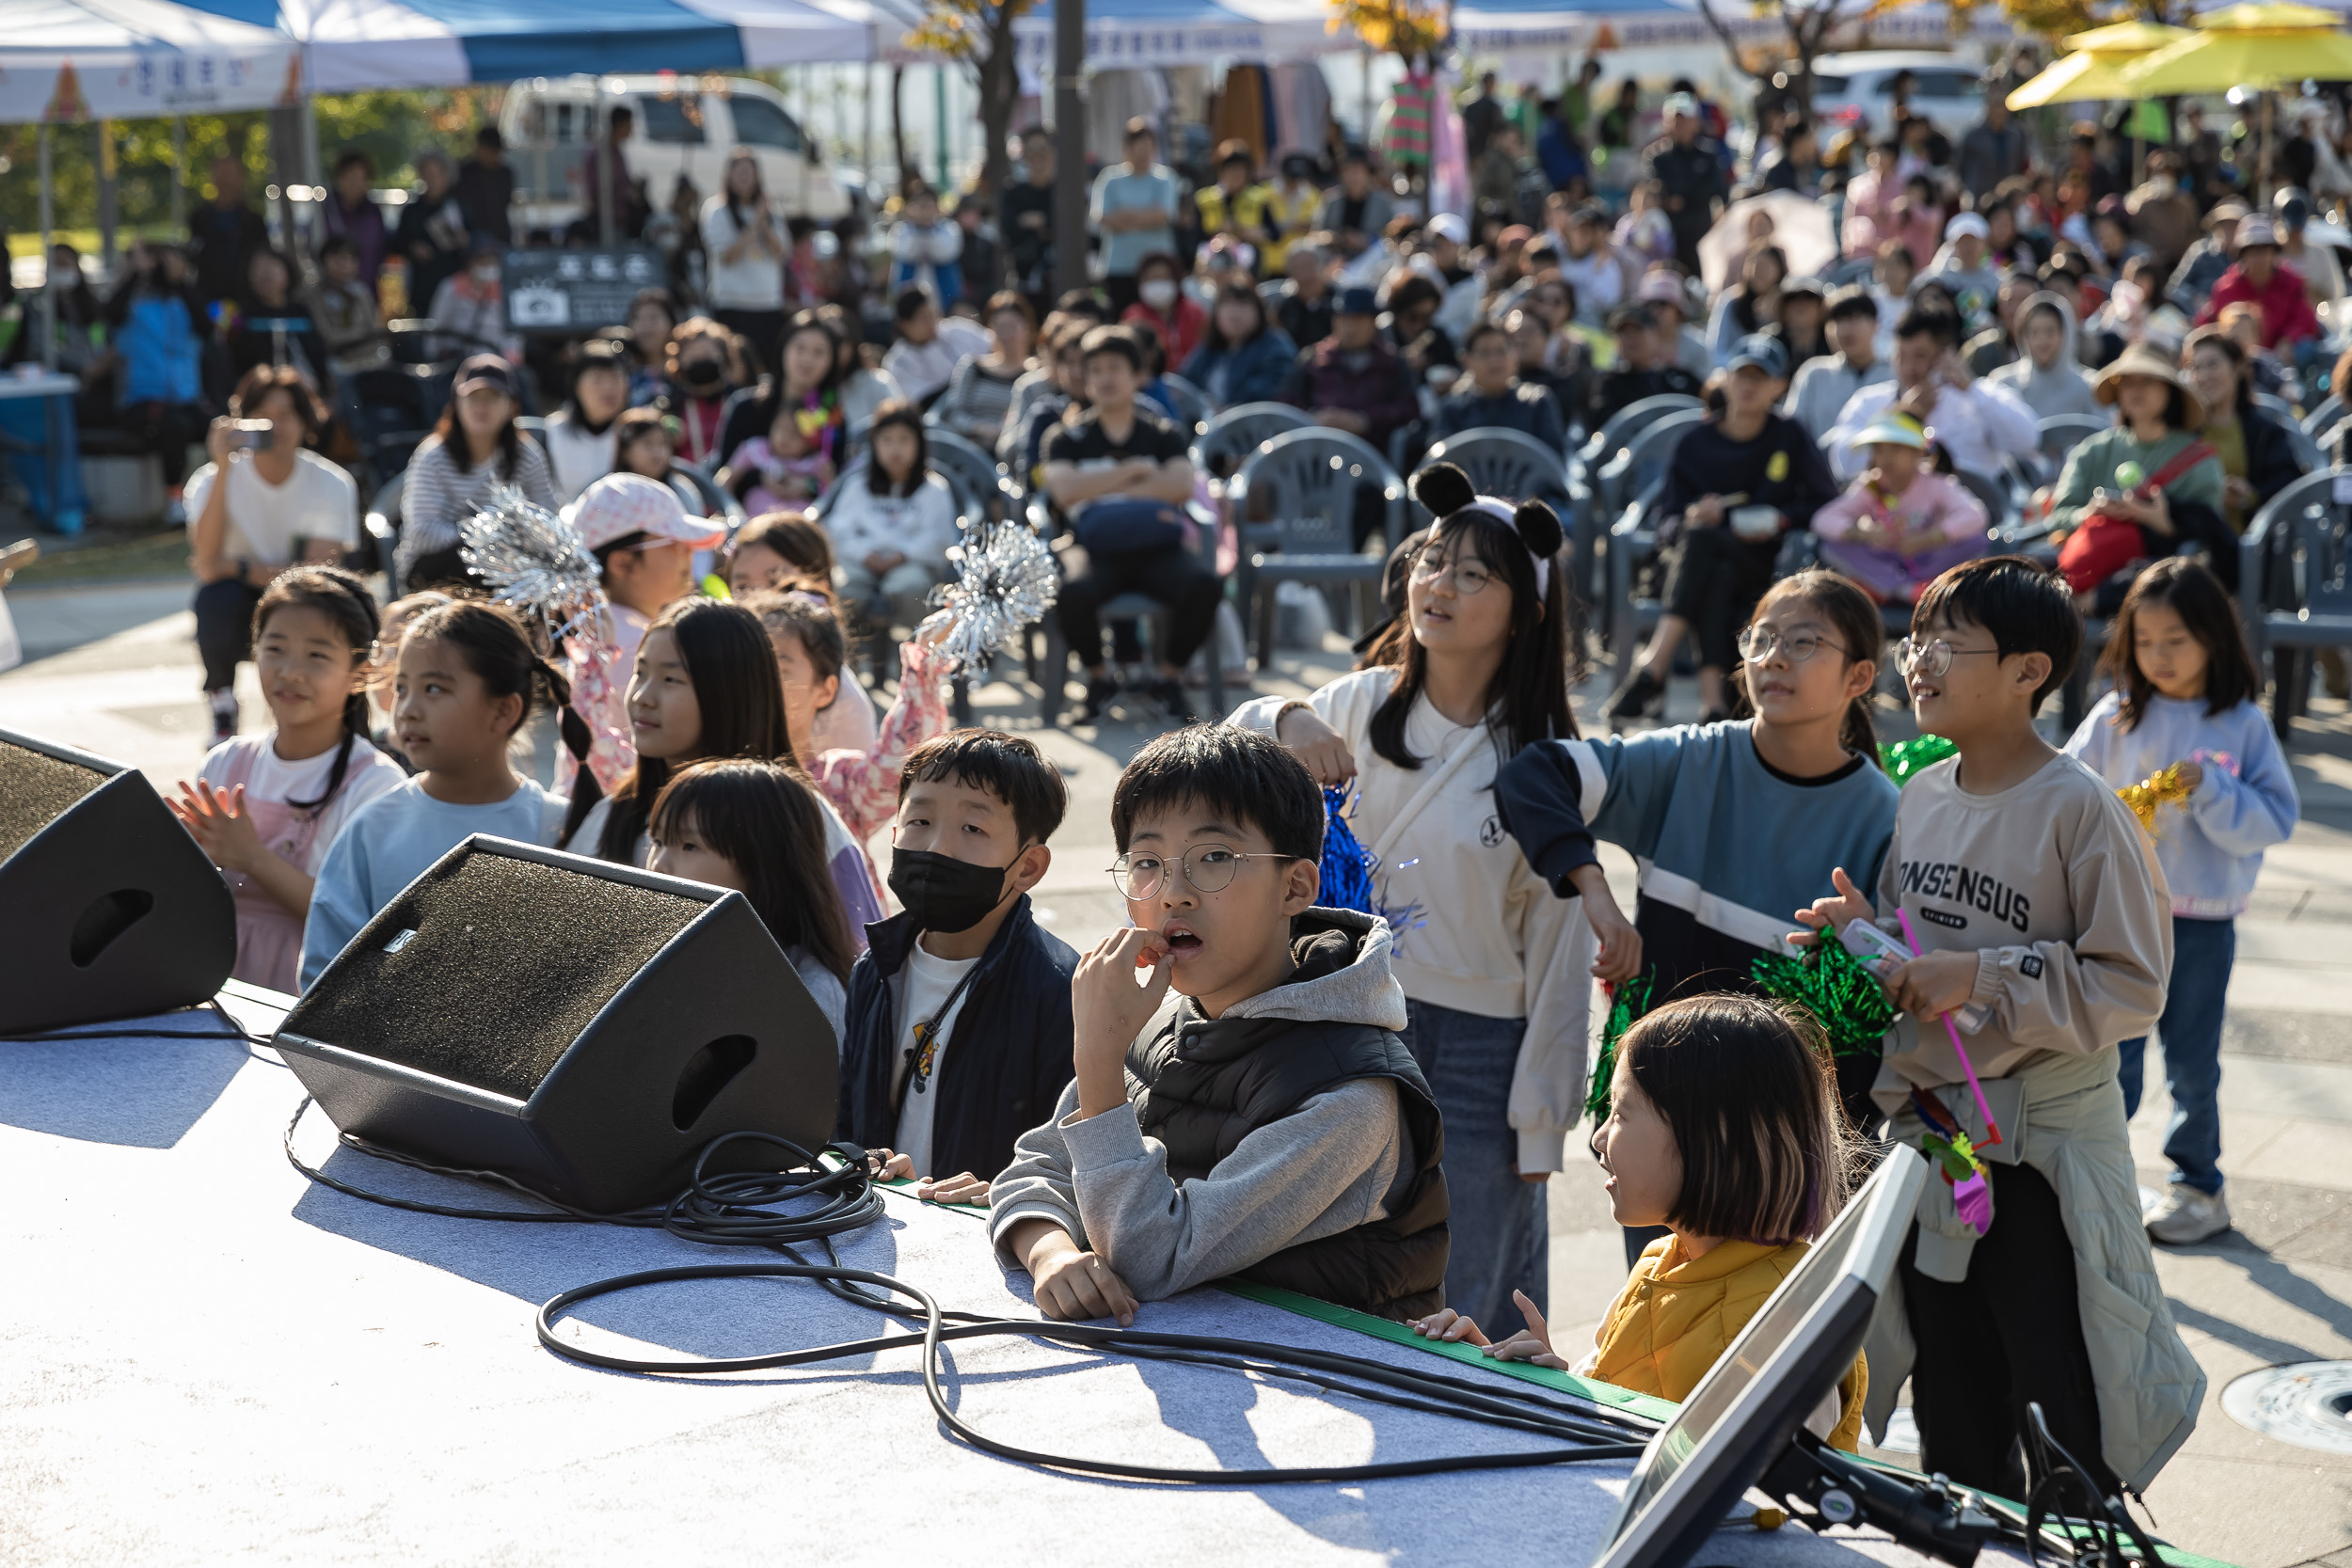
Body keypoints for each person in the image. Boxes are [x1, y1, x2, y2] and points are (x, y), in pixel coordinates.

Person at [1796, 556, 2197, 1506]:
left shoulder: (2081, 807)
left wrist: (1979, 974)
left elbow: (2133, 985)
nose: (1918, 661)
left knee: (2064, 1411)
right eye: (1915, 639)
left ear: (2029, 670)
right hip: (1941, 1145)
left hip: (2043, 1162)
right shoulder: (1926, 793)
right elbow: (1921, 956)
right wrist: (1868, 934)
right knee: (1953, 1402)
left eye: (1947, 641)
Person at [1237, 470, 1629, 1328]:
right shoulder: (1355, 703)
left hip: (1481, 1047)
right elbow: (1226, 748)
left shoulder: (1548, 756)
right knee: (1336, 1255)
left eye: (1472, 574)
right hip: (1342, 1014)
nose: (1438, 585)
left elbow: (1560, 955)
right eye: (1431, 561)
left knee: (1470, 1286)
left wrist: (1541, 1119)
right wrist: (1286, 718)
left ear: (1524, 607)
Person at [989, 725, 1450, 1323]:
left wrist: (1097, 1062)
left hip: (1319, 1394)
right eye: (1147, 863)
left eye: (1214, 859)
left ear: (1296, 886)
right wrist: (1052, 1255)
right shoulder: (1166, 1022)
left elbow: (1153, 1259)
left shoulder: (1352, 1094)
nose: (1173, 893)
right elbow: (1035, 1169)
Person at [1507, 569, 1899, 1131]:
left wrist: (1866, 944)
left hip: (1783, 1146)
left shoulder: (1884, 820)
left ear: (1859, 676)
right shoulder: (1690, 761)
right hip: (1657, 1115)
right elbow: (1535, 773)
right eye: (1760, 639)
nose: (1773, 658)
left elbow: (1892, 1007)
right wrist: (1593, 890)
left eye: (1803, 642)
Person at [1408, 995, 1867, 1451]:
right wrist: (1540, 1382)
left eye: (1621, 1113)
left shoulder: (1786, 1325)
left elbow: (1760, 1507)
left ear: (1710, 1138)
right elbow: (1611, 1422)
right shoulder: (1658, 1264)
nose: (1598, 1137)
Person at [2063, 557, 2296, 1244]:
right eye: (2146, 640)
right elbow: (2067, 790)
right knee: (2115, 1056)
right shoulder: (2114, 717)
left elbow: (2274, 817)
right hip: (2120, 917)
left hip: (2200, 923)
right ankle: (2102, 1174)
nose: (2159, 656)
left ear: (2215, 638)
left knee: (2193, 1059)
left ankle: (2199, 1184)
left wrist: (2212, 791)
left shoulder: (2241, 723)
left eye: (2178, 639)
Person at [843, 730, 1077, 1196]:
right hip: (876, 1234)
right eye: (920, 821)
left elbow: (1073, 1166)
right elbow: (846, 1121)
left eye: (973, 829)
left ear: (1028, 867)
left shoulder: (1059, 992)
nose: (935, 849)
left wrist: (1000, 1199)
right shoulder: (873, 970)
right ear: (893, 833)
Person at [298, 600, 573, 990]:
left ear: (502, 712)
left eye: (433, 688)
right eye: (402, 688)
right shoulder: (373, 829)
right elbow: (324, 979)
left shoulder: (560, 829)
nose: (408, 709)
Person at [169, 568, 406, 992]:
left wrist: (253, 857)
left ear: (360, 673)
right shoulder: (226, 762)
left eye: (317, 655)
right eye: (275, 648)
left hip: (303, 999)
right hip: (209, 984)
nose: (291, 672)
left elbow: (365, 928)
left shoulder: (376, 785)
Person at [1609, 336, 1839, 723]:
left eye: (1760, 377)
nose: (1748, 385)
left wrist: (1780, 519)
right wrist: (1692, 517)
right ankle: (1714, 706)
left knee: (1710, 552)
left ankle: (1653, 667)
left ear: (1779, 386)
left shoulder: (1789, 436)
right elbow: (1667, 522)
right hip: (1688, 566)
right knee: (1710, 557)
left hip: (1761, 561)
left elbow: (1824, 501)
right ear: (1725, 381)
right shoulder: (1695, 443)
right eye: (1741, 375)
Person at [1045, 325, 1218, 724]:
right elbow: (1064, 491)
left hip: (1157, 548)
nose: (1106, 377)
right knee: (1071, 592)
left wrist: (1099, 481)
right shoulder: (1066, 437)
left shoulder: (1162, 433)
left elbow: (1179, 485)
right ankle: (1099, 679)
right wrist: (1133, 472)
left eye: (1116, 367)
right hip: (1093, 548)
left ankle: (1167, 678)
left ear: (1137, 375)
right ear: (1085, 379)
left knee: (1203, 586)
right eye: (1096, 369)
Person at [185, 366, 360, 743]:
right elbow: (205, 561)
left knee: (330, 608)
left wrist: (238, 566)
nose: (275, 427)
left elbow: (319, 574)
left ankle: (331, 715)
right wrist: (221, 466)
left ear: (306, 421)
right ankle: (222, 703)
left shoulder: (331, 483)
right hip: (239, 602)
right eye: (262, 417)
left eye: (286, 416)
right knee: (214, 599)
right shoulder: (209, 480)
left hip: (305, 601)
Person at [646, 758, 860, 1042]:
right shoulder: (669, 960)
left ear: (764, 866)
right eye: (657, 842)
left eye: (689, 846)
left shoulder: (807, 992)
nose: (658, 864)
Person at [739, 587, 947, 851]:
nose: (759, 678)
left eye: (780, 667)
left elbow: (899, 763)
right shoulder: (706, 775)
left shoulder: (835, 783)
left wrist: (923, 664)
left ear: (825, 690)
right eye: (748, 663)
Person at [561, 473, 728, 797]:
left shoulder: (606, 630)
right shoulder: (633, 643)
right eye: (675, 544)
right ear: (623, 563)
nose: (690, 554)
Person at [2047, 343, 2230, 600]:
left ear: (2170, 390)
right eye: (2127, 382)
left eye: (2148, 380)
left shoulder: (2200, 461)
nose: (2136, 389)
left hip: (2162, 589)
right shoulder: (2092, 451)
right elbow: (2060, 515)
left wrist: (2164, 524)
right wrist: (2090, 514)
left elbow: (2208, 537)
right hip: (2087, 571)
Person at [396, 355, 559, 589]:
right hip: (437, 571)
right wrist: (489, 536)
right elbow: (422, 533)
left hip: (511, 566)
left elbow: (548, 521)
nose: (482, 407)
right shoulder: (432, 455)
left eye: (492, 398)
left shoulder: (528, 455)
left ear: (512, 405)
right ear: (456, 404)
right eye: (473, 397)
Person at [1826, 308, 2037, 485]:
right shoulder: (1869, 400)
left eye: (1920, 356)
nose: (1908, 368)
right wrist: (1900, 417)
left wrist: (1971, 388)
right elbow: (1843, 463)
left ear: (1945, 354)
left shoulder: (1981, 395)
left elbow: (2027, 441)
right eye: (1901, 356)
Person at [1811, 412, 1990, 604]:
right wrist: (1864, 533)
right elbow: (1822, 519)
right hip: (1883, 559)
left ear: (1918, 452)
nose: (1886, 457)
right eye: (1879, 450)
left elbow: (1975, 515)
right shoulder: (1870, 486)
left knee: (1977, 542)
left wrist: (1927, 539)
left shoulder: (1936, 483)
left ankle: (1888, 587)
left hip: (1929, 557)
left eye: (1896, 449)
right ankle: (1903, 588)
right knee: (1831, 546)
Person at [828, 400, 960, 641]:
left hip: (912, 564)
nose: (894, 449)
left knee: (909, 588)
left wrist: (902, 555)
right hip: (861, 562)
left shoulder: (934, 490)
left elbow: (938, 538)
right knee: (845, 589)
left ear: (919, 444)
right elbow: (839, 531)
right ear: (874, 444)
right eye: (886, 440)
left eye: (904, 440)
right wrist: (865, 554)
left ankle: (921, 649)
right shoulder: (857, 487)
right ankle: (848, 655)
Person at [103, 242, 210, 505]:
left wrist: (181, 282)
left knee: (214, 426)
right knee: (175, 426)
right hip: (139, 399)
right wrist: (138, 273)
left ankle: (218, 497)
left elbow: (207, 327)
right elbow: (111, 313)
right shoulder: (134, 305)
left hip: (185, 397)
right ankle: (176, 502)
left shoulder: (182, 302)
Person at [1276, 287, 1419, 476]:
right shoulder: (1314, 359)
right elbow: (1286, 403)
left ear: (1373, 322)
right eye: (1343, 319)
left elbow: (1409, 409)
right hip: (1316, 458)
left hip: (1373, 460)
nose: (1350, 327)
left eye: (1358, 320)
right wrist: (1314, 417)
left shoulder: (1393, 362)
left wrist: (1366, 420)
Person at [2182, 326, 2308, 536]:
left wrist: (2251, 495)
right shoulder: (2182, 432)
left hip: (2254, 551)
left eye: (2213, 364)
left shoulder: (2265, 432)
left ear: (2238, 367)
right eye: (2195, 367)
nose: (2203, 376)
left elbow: (2290, 481)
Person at [1421, 320, 1567, 454]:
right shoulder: (1451, 410)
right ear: (1466, 361)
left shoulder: (1536, 402)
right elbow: (1438, 467)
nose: (1494, 360)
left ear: (1515, 355)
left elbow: (1554, 463)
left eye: (1501, 351)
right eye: (1485, 353)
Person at [702, 150, 787, 362]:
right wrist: (755, 223)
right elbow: (728, 256)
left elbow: (782, 252)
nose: (744, 176)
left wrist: (764, 222)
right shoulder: (716, 210)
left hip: (768, 303)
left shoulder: (770, 211)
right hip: (732, 303)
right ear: (728, 175)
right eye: (738, 171)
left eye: (749, 171)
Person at [2193, 214, 2321, 354]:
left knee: (2306, 348)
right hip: (2239, 360)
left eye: (2265, 250)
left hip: (2284, 358)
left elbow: (2306, 320)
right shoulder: (2225, 288)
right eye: (2253, 251)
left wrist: (2288, 340)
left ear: (2274, 253)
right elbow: (2207, 323)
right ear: (2243, 255)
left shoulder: (2292, 283)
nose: (2259, 257)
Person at [1093, 119, 1183, 316]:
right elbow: (1103, 218)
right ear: (1126, 148)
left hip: (1158, 268)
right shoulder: (1109, 178)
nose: (1142, 152)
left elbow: (1164, 216)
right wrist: (1146, 216)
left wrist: (1125, 215)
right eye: (1137, 146)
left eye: (1147, 146)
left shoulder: (1165, 178)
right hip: (1118, 266)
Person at [1784, 286, 1892, 440]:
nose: (1845, 328)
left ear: (1876, 324)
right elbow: (1792, 431)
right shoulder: (1814, 374)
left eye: (1855, 318)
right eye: (1837, 320)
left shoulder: (1895, 373)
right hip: (1820, 464)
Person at [932, 292, 1037, 448]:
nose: (1007, 334)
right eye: (1000, 327)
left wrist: (1007, 434)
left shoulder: (1037, 373)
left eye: (1012, 326)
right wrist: (980, 429)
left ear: (1026, 326)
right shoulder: (973, 366)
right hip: (973, 451)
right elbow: (953, 414)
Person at [222, 247, 331, 392]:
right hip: (258, 391)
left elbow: (318, 353)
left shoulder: (300, 311)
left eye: (272, 265)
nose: (266, 273)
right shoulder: (241, 314)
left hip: (305, 389)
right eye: (258, 267)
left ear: (287, 272)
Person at [1645, 92, 1728, 274]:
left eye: (1684, 119)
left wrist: (1686, 199)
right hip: (1668, 241)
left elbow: (1718, 190)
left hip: (1703, 235)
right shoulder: (1658, 158)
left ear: (1696, 121)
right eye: (1675, 119)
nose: (1679, 125)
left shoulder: (1709, 154)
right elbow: (1657, 193)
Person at [1181, 284, 1297, 411]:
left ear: (1259, 311)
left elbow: (1268, 391)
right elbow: (1186, 383)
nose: (1234, 314)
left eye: (1243, 304)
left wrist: (1230, 410)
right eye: (1227, 305)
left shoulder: (1276, 346)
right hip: (1206, 425)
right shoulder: (1210, 348)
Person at [1985, 291, 2097, 420]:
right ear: (2023, 337)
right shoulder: (2003, 384)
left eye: (2050, 332)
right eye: (2034, 333)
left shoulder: (2090, 386)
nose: (2042, 341)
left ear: (2065, 334)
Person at [542, 340, 631, 503]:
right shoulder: (551, 432)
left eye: (615, 378)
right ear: (576, 385)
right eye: (597, 379)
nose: (608, 387)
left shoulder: (635, 432)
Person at [879, 285, 987, 409]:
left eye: (931, 314)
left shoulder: (956, 328)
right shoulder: (897, 361)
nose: (930, 322)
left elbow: (994, 346)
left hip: (983, 395)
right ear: (904, 325)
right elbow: (921, 400)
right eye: (923, 318)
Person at [187, 153, 269, 312]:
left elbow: (262, 256)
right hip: (208, 298)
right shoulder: (199, 218)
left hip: (246, 299)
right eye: (221, 173)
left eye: (231, 174)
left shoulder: (253, 220)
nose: (226, 180)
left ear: (241, 178)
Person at [393, 149, 469, 320]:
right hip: (422, 284)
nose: (433, 179)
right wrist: (413, 248)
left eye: (437, 173)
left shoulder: (459, 207)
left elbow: (476, 240)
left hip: (455, 281)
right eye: (427, 173)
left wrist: (465, 240)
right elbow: (397, 242)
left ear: (446, 175)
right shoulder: (412, 211)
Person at [721, 401, 833, 514]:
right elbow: (727, 479)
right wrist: (732, 511)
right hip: (754, 519)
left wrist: (807, 487)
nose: (784, 438)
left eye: (794, 434)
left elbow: (831, 493)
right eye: (780, 428)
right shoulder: (755, 450)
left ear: (810, 441)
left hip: (799, 521)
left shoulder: (817, 463)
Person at [1120, 252, 1207, 372]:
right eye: (1151, 278)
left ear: (1176, 280)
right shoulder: (1132, 317)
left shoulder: (1196, 312)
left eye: (1163, 277)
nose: (1157, 283)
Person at [315, 150, 388, 294]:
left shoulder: (373, 212)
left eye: (360, 178)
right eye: (350, 177)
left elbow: (381, 248)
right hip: (329, 293)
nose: (355, 183)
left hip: (366, 291)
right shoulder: (326, 210)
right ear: (339, 178)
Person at [1001, 126, 1058, 305]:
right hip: (1024, 278)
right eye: (1032, 150)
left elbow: (1069, 231)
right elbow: (1009, 229)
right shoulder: (1013, 192)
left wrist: (1035, 222)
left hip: (1061, 276)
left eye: (1043, 149)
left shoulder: (1066, 192)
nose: (1038, 156)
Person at [1706, 245, 1787, 368]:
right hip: (1734, 371)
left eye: (1766, 267)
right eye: (1755, 265)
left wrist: (1771, 316)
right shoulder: (1731, 301)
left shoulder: (1786, 305)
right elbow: (1717, 350)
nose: (1759, 272)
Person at [1314, 148, 1397, 264]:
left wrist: (1366, 240)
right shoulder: (1331, 200)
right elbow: (1316, 233)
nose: (1353, 176)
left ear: (1367, 173)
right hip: (1335, 263)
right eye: (1348, 171)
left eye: (1357, 171)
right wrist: (1337, 238)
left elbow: (1393, 235)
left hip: (1373, 263)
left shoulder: (1383, 202)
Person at [887, 182, 962, 307]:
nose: (924, 212)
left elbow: (945, 254)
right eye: (920, 206)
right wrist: (918, 229)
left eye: (928, 206)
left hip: (943, 294)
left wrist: (927, 229)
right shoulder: (900, 230)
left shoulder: (949, 229)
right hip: (909, 294)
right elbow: (906, 253)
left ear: (937, 207)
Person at [578, 104, 641, 240]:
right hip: (605, 223)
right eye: (629, 125)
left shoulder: (617, 152)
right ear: (620, 125)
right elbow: (595, 191)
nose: (631, 130)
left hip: (620, 220)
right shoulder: (599, 154)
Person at [1957, 98, 2029, 203]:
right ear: (1988, 110)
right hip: (1979, 195)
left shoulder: (2015, 137)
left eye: (2002, 108)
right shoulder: (1973, 137)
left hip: (2008, 197)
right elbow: (1960, 165)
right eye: (1996, 107)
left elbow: (2021, 164)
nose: (1999, 112)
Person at [454, 126, 516, 246]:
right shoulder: (464, 174)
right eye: (492, 151)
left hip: (501, 235)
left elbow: (505, 201)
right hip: (473, 238)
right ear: (480, 148)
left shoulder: (505, 173)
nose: (496, 156)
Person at [1273, 243, 1336, 351]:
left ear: (1321, 267)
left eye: (1308, 266)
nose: (1304, 275)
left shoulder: (1339, 301)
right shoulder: (1284, 308)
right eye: (1297, 268)